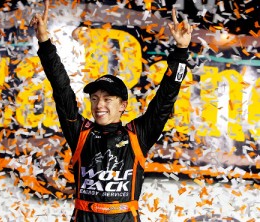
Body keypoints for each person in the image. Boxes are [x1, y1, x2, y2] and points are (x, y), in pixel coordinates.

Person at [30, 1, 193, 221]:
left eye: (108, 99)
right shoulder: (80, 133)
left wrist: (181, 52)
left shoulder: (138, 135)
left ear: (123, 105)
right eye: (95, 98)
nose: (99, 105)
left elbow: (165, 99)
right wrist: (44, 42)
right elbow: (62, 90)